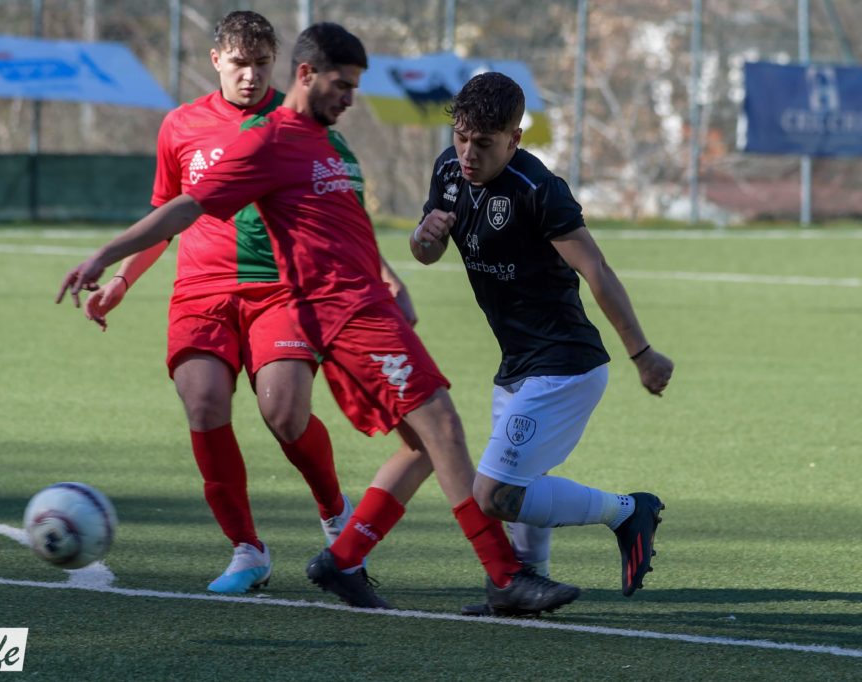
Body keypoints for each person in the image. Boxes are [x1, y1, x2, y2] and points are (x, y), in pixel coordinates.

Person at [57, 22, 581, 617]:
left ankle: (344, 557)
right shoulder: (268, 142)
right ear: (306, 74)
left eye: (355, 86)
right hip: (341, 312)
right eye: (343, 85)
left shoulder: (328, 142)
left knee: (421, 440)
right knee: (440, 426)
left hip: (368, 305)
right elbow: (186, 206)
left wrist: (390, 280)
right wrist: (106, 258)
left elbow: (344, 224)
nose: (350, 98)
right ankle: (503, 574)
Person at [80, 12, 411, 595]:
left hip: (281, 290)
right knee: (204, 402)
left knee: (284, 412)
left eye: (261, 64)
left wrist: (383, 275)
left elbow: (344, 217)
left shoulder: (302, 125)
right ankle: (246, 549)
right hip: (200, 292)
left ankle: (334, 510)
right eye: (239, 63)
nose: (251, 76)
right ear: (216, 61)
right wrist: (123, 280)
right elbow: (165, 215)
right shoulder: (180, 126)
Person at [410, 72, 674, 612]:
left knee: (493, 493)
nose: (468, 153)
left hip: (566, 365)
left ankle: (627, 511)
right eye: (461, 137)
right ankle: (528, 584)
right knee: (519, 482)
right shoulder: (448, 171)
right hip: (516, 363)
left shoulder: (538, 190)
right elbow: (426, 252)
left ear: (515, 139)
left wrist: (642, 354)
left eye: (484, 143)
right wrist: (424, 237)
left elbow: (596, 269)